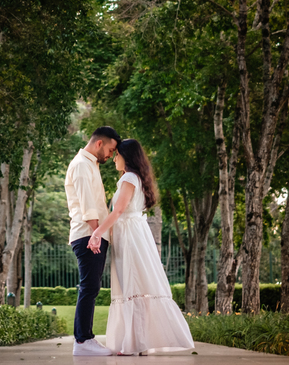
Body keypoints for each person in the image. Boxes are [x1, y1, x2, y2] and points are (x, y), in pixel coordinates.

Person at [87, 139, 195, 356]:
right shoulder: (135, 178)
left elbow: (117, 211)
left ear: (127, 157)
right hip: (134, 234)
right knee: (137, 289)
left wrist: (97, 232)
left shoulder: (128, 178)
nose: (114, 158)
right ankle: (140, 344)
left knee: (132, 287)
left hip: (129, 237)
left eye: (117, 154)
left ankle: (133, 344)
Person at [65, 126, 121, 356]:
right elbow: (88, 205)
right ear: (100, 143)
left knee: (91, 286)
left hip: (93, 234)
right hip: (88, 235)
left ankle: (85, 338)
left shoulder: (90, 164)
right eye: (110, 149)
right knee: (89, 286)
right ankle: (82, 341)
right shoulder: (81, 165)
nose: (111, 155)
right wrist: (96, 234)